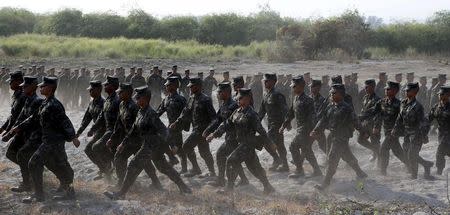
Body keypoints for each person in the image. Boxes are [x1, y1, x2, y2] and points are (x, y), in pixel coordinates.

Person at [104, 86, 192, 200]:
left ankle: (121, 194)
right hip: (150, 145)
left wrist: (173, 145)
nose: (136, 99)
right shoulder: (140, 112)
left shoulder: (151, 113)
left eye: (138, 97)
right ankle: (184, 187)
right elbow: (133, 130)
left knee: (133, 166)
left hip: (152, 145)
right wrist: (123, 143)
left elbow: (163, 130)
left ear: (145, 99)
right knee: (164, 168)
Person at [20, 77, 80, 203]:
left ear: (51, 88)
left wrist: (73, 137)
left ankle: (39, 195)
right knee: (61, 166)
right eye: (40, 86)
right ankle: (69, 192)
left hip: (54, 141)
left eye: (43, 86)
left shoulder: (55, 105)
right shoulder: (46, 102)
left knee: (34, 163)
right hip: (48, 140)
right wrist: (18, 127)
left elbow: (65, 121)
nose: (40, 88)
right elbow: (34, 117)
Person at [206, 88, 275, 194]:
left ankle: (229, 188)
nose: (238, 100)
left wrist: (270, 143)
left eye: (240, 98)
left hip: (248, 144)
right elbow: (227, 125)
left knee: (231, 160)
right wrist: (214, 134)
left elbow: (261, 131)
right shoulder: (237, 111)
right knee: (254, 168)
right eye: (237, 98)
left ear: (247, 99)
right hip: (241, 144)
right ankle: (268, 186)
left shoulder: (252, 114)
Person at [311, 84, 367, 190]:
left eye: (334, 93)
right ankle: (360, 172)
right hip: (332, 135)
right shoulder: (330, 106)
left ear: (341, 94)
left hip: (342, 137)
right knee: (347, 155)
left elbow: (355, 121)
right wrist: (316, 130)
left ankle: (325, 183)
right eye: (331, 92)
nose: (331, 94)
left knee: (332, 158)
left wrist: (363, 131)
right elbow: (323, 120)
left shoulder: (346, 108)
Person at [203, 82, 249, 187]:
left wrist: (213, 134)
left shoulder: (232, 106)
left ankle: (225, 182)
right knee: (230, 158)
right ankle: (242, 180)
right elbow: (218, 119)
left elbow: (228, 125)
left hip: (235, 138)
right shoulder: (224, 105)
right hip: (229, 137)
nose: (217, 94)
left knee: (226, 157)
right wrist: (208, 130)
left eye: (219, 92)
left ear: (226, 93)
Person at [2, 76, 43, 193]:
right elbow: (19, 118)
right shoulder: (28, 99)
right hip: (22, 133)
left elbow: (32, 120)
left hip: (33, 135)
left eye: (25, 86)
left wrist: (14, 130)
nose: (22, 88)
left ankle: (27, 183)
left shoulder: (37, 102)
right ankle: (29, 174)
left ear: (33, 87)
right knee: (11, 153)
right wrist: (9, 133)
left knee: (22, 155)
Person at [169, 77, 216, 177]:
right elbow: (185, 112)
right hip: (195, 129)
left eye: (192, 86)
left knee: (187, 146)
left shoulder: (206, 99)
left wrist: (209, 131)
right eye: (190, 87)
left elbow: (214, 118)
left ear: (198, 86)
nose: (190, 88)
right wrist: (176, 122)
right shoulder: (191, 98)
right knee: (204, 151)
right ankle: (204, 170)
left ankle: (201, 169)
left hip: (202, 130)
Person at [280, 76, 322, 178]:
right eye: (292, 86)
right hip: (300, 129)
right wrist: (283, 125)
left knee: (293, 146)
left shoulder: (308, 100)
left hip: (305, 130)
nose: (292, 88)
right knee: (307, 151)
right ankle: (317, 171)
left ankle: (300, 170)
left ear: (301, 86)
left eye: (294, 86)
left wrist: (314, 131)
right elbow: (290, 114)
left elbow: (313, 118)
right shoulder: (295, 99)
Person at [392, 82, 434, 180]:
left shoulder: (418, 106)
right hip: (407, 133)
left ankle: (414, 175)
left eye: (408, 90)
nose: (406, 92)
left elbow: (423, 123)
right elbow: (399, 117)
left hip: (416, 134)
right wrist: (395, 128)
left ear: (415, 92)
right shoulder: (403, 103)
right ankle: (426, 164)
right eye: (406, 90)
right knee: (407, 153)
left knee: (412, 154)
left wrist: (424, 136)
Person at [87, 76, 120, 180]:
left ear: (113, 86)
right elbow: (101, 117)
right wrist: (92, 129)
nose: (104, 86)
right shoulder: (108, 100)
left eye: (107, 84)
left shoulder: (117, 101)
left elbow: (121, 120)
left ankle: (111, 173)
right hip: (108, 131)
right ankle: (107, 171)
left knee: (112, 154)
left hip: (116, 132)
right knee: (97, 149)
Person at [374, 81, 408, 175]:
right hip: (386, 131)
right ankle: (411, 165)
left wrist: (396, 129)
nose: (386, 90)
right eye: (386, 89)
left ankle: (383, 171)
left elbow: (401, 119)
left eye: (388, 89)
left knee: (383, 149)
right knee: (397, 152)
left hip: (394, 132)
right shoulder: (382, 102)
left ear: (395, 91)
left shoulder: (399, 104)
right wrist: (376, 126)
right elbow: (376, 114)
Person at [75, 80, 106, 179]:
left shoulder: (104, 103)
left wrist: (92, 130)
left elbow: (103, 120)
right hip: (97, 131)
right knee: (91, 150)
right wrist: (78, 133)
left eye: (92, 90)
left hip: (105, 131)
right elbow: (86, 119)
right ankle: (104, 169)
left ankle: (105, 170)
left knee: (91, 149)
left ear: (98, 90)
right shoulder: (92, 103)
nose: (90, 92)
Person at [157, 77, 188, 173]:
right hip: (170, 126)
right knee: (166, 143)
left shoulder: (181, 99)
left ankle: (182, 167)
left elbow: (186, 113)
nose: (166, 86)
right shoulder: (166, 99)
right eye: (166, 85)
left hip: (178, 127)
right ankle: (173, 159)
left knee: (178, 147)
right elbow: (159, 111)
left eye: (168, 85)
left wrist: (179, 124)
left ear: (175, 86)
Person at [259, 73, 288, 172]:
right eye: (264, 81)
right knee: (280, 145)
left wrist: (285, 125)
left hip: (278, 125)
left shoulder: (278, 95)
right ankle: (285, 165)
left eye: (267, 81)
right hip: (270, 124)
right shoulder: (266, 95)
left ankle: (277, 159)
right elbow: (261, 112)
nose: (265, 82)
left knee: (266, 142)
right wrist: (254, 124)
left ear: (273, 82)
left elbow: (285, 111)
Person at [428, 85, 450, 175]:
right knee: (443, 153)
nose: (440, 96)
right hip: (441, 135)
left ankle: (439, 172)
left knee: (440, 152)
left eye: (442, 94)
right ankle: (439, 171)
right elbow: (429, 118)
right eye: (439, 94)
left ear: (448, 95)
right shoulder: (436, 107)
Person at [357, 79, 381, 161]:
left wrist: (376, 127)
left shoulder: (377, 100)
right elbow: (363, 111)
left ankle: (380, 162)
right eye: (365, 87)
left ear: (373, 87)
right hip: (366, 124)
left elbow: (379, 115)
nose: (365, 89)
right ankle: (375, 150)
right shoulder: (365, 97)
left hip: (373, 124)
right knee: (360, 139)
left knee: (375, 142)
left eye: (367, 87)